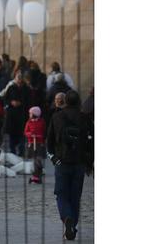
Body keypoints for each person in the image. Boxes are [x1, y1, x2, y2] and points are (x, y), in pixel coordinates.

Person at [46, 91, 94, 240]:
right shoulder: (85, 118)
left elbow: (49, 141)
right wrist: (90, 162)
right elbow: (92, 142)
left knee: (61, 194)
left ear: (65, 101)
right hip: (79, 162)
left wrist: (53, 158)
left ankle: (67, 218)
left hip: (62, 162)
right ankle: (72, 224)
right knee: (75, 196)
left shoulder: (57, 117)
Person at [3, 72, 31, 156]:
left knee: (22, 136)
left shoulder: (26, 88)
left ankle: (21, 154)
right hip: (12, 115)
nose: (19, 79)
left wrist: (21, 103)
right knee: (12, 137)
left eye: (20, 77)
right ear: (15, 78)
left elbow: (29, 101)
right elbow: (5, 99)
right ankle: (12, 154)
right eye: (17, 77)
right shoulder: (11, 87)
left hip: (22, 115)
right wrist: (11, 102)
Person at [24, 106, 46, 184]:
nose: (29, 115)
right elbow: (26, 132)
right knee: (34, 159)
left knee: (38, 159)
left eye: (31, 113)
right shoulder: (29, 122)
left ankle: (38, 173)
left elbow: (44, 131)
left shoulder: (41, 122)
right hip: (32, 143)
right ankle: (36, 175)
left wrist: (40, 136)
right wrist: (30, 134)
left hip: (39, 143)